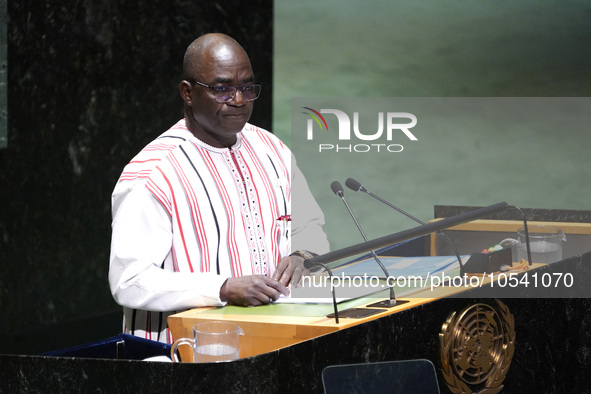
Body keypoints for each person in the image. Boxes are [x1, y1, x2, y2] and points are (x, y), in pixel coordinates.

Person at [109, 33, 329, 343]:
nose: (239, 100)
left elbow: (310, 226)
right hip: (185, 358)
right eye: (223, 89)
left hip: (274, 343)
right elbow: (128, 280)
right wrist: (221, 288)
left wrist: (303, 254)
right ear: (187, 92)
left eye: (247, 88)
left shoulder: (273, 150)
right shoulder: (154, 173)